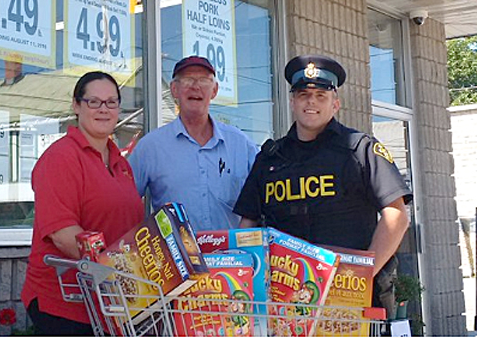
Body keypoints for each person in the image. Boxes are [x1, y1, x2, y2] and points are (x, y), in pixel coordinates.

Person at [233, 54, 413, 316]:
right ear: (293, 102)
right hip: (286, 301)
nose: (311, 102)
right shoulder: (270, 158)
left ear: (335, 104)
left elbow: (396, 216)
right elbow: (247, 225)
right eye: (304, 94)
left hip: (349, 300)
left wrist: (362, 276)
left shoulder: (360, 149)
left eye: (321, 96)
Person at [21, 71, 144, 336]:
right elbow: (63, 234)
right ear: (76, 106)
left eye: (111, 102)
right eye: (94, 102)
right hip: (67, 303)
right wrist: (116, 273)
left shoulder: (120, 162)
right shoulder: (61, 157)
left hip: (111, 301)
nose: (104, 109)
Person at [129, 56, 258, 231]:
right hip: (174, 258)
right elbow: (124, 205)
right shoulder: (150, 148)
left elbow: (263, 199)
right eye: (188, 80)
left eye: (204, 80)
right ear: (174, 90)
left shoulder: (241, 144)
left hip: (232, 256)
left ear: (214, 90)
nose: (195, 87)